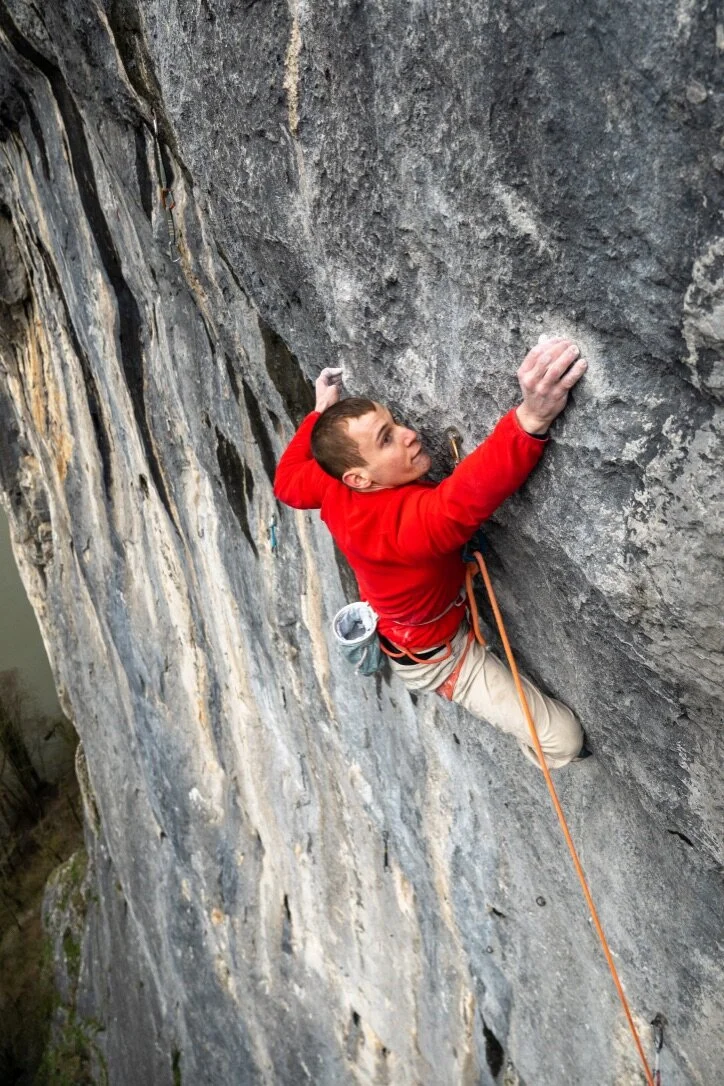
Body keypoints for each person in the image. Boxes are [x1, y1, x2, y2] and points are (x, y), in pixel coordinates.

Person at [273, 338, 588, 768]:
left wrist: (319, 414)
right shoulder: (398, 529)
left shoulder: (333, 483)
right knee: (564, 741)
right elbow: (462, 500)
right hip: (441, 657)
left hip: (415, 618)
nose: (409, 434)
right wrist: (531, 417)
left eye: (394, 422)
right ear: (359, 479)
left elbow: (287, 483)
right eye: (387, 439)